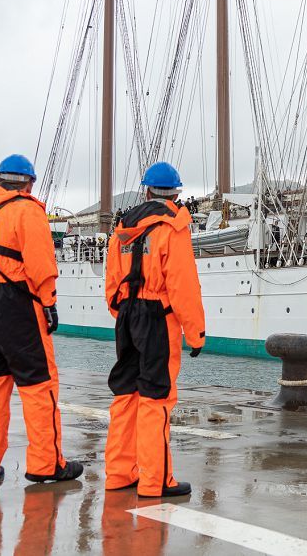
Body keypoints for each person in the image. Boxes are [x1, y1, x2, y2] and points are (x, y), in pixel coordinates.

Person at [0, 154, 81, 486]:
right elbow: (40, 261)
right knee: (39, 384)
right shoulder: (26, 210)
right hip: (13, 300)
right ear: (28, 182)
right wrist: (48, 302)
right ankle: (46, 464)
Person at [104, 162, 206, 498]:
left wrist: (120, 312)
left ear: (146, 190)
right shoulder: (173, 226)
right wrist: (196, 333)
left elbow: (112, 279)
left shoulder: (123, 228)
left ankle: (119, 473)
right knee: (156, 397)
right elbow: (182, 284)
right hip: (157, 317)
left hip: (127, 314)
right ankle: (155, 481)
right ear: (176, 193)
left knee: (125, 394)